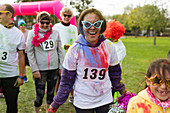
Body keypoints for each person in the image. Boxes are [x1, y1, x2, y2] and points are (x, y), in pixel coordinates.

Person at [48, 8, 127, 113]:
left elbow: (115, 74)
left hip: (105, 100)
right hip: (83, 102)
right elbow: (67, 81)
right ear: (81, 26)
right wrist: (56, 103)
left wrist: (124, 92)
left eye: (97, 24)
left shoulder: (109, 46)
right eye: (87, 24)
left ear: (102, 25)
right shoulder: (74, 50)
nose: (92, 28)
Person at [27, 11, 63, 113]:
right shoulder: (32, 33)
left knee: (51, 93)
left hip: (54, 68)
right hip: (40, 69)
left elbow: (60, 51)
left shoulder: (55, 33)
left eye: (47, 22)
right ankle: (37, 111)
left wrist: (61, 67)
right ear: (38, 22)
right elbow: (29, 52)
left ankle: (49, 111)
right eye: (42, 22)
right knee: (40, 94)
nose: (45, 25)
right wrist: (34, 69)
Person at [0, 4, 25, 113]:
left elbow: (21, 56)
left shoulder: (18, 34)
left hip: (10, 76)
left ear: (9, 15)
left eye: (0, 13)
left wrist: (21, 76)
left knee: (11, 105)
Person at [53, 6, 78, 103]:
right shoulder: (56, 27)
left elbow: (76, 41)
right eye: (65, 15)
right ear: (61, 15)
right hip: (59, 56)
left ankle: (72, 96)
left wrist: (71, 47)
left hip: (71, 56)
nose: (66, 17)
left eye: (68, 16)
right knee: (58, 78)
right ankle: (56, 97)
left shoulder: (74, 28)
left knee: (71, 77)